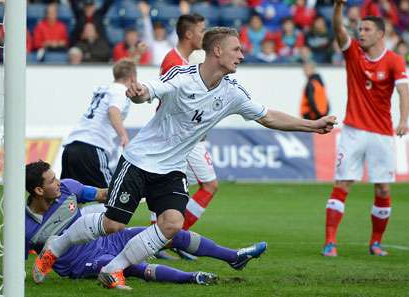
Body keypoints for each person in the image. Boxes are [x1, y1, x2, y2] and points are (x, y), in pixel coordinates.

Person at [34, 26, 337, 290]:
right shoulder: (183, 76)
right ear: (217, 51)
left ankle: (113, 270)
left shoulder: (232, 92)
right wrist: (139, 92)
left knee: (172, 224)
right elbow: (152, 89)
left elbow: (268, 116)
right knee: (113, 224)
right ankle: (56, 247)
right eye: (237, 49)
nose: (242, 55)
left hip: (172, 168)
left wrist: (312, 125)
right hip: (139, 160)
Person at [25, 160, 265, 286]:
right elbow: (19, 267)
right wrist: (39, 272)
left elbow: (102, 194)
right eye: (51, 181)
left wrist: (135, 191)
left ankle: (234, 257)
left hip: (108, 238)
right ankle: (192, 278)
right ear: (38, 190)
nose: (58, 182)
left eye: (56, 177)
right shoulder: (25, 228)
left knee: (168, 232)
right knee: (123, 266)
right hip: (83, 264)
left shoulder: (68, 188)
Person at [322, 0, 409, 257]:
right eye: (359, 29)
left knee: (382, 188)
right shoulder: (353, 55)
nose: (361, 33)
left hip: (382, 134)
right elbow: (339, 31)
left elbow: (404, 92)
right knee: (343, 183)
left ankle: (375, 243)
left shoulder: (394, 60)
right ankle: (330, 242)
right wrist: (338, 7)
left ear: (381, 34)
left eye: (367, 29)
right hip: (354, 131)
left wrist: (404, 120)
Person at [155, 13, 219, 234]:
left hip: (183, 133)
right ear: (189, 34)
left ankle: (162, 236)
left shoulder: (186, 61)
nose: (205, 34)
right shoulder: (174, 62)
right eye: (202, 30)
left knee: (169, 186)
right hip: (180, 135)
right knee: (209, 186)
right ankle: (172, 237)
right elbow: (170, 100)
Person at [60, 59, 133, 188]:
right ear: (132, 77)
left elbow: (126, 69)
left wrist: (136, 55)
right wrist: (124, 136)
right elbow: (113, 111)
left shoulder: (106, 88)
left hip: (71, 147)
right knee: (110, 196)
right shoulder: (121, 91)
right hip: (92, 147)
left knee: (68, 197)